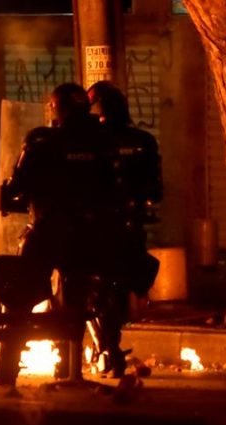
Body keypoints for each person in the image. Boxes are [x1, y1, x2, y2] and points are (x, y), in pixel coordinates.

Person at [0, 83, 120, 386]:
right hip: (88, 235)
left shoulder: (42, 141)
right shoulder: (102, 141)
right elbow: (112, 186)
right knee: (73, 302)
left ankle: (6, 366)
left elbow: (18, 186)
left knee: (21, 297)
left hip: (48, 231)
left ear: (56, 108)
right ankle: (67, 368)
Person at [86, 80, 162, 377]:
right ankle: (109, 347)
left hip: (97, 228)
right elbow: (155, 190)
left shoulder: (91, 142)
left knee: (92, 289)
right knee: (117, 289)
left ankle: (106, 349)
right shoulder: (144, 140)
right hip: (131, 227)